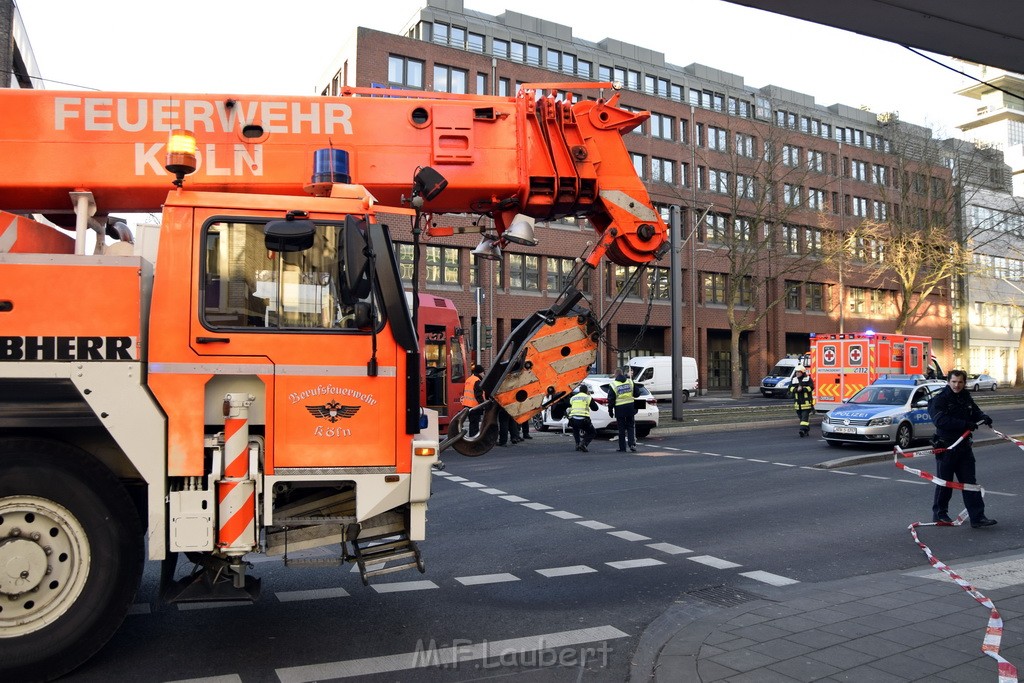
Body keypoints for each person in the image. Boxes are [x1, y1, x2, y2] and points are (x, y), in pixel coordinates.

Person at [927, 369, 996, 528]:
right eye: (954, 382)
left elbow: (975, 412)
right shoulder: (939, 400)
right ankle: (940, 514)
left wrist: (983, 417)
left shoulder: (965, 397)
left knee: (970, 483)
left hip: (964, 447)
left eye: (960, 382)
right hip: (946, 447)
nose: (957, 385)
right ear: (948, 382)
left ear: (964, 383)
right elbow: (940, 421)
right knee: (945, 483)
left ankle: (977, 517)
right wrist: (965, 424)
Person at [607, 368, 637, 452]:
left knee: (621, 429)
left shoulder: (613, 384)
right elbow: (637, 394)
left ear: (615, 375)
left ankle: (622, 448)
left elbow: (611, 400)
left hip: (620, 409)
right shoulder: (630, 382)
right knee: (630, 427)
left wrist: (610, 410)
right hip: (630, 408)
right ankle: (632, 444)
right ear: (622, 373)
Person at [567, 384, 598, 452]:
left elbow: (569, 405)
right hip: (583, 420)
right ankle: (583, 444)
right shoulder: (588, 397)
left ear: (579, 391)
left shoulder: (573, 397)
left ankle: (577, 445)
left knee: (576, 430)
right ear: (587, 391)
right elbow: (595, 408)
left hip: (573, 419)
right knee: (592, 432)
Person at [788, 365, 814, 437]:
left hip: (806, 403)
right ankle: (806, 429)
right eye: (796, 372)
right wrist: (796, 389)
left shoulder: (808, 379)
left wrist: (803, 389)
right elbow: (790, 388)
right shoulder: (794, 379)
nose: (797, 374)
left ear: (802, 372)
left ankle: (802, 430)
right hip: (797, 404)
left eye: (799, 372)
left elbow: (811, 387)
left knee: (804, 418)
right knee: (801, 418)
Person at [461, 364, 486, 437]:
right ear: (480, 373)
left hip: (467, 405)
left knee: (472, 424)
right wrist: (483, 405)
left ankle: (472, 437)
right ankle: (474, 439)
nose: (483, 374)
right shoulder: (477, 381)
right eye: (483, 373)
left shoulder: (469, 379)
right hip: (475, 406)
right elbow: (478, 395)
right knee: (475, 425)